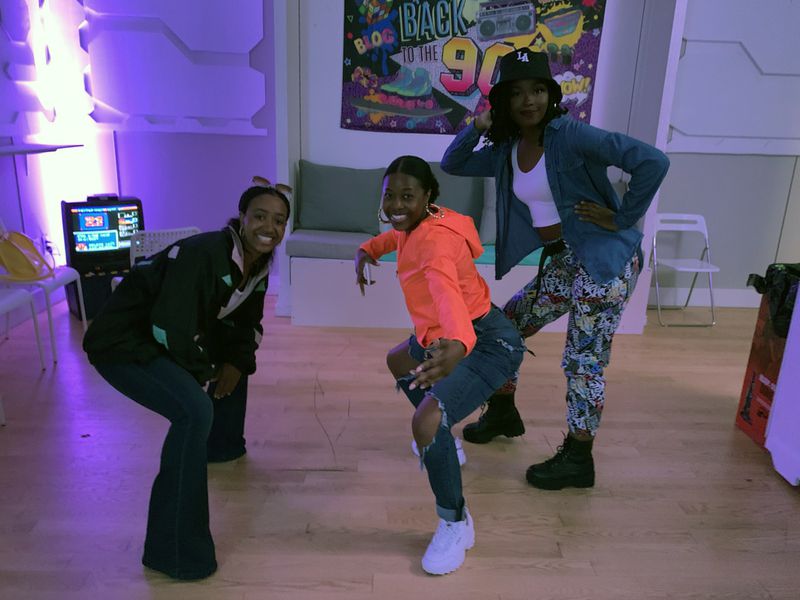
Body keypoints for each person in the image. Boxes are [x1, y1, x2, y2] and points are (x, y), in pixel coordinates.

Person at [441, 48, 670, 490]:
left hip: (604, 262)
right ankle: (504, 413)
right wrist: (476, 127)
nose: (530, 100)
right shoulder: (507, 147)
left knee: (583, 361)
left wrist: (622, 218)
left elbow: (653, 162)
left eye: (539, 89)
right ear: (503, 101)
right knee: (505, 327)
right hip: (564, 261)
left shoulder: (571, 135)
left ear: (551, 93)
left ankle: (579, 458)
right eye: (519, 92)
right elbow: (454, 163)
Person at [83, 180, 290, 580]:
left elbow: (247, 324)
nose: (270, 226)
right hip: (125, 343)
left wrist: (234, 362)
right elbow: (170, 327)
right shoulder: (205, 253)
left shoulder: (258, 263)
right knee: (193, 411)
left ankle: (222, 447)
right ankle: (173, 552)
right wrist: (204, 372)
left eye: (279, 220)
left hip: (165, 334)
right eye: (261, 216)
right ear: (242, 218)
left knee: (236, 361)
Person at [354, 156, 525, 575]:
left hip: (483, 341)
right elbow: (397, 236)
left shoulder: (435, 246)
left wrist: (458, 343)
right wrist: (367, 248)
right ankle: (442, 439)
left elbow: (447, 294)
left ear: (428, 196)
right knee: (398, 360)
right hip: (440, 333)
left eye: (407, 196)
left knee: (426, 422)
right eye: (389, 195)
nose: (396, 204)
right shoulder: (423, 221)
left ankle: (455, 522)